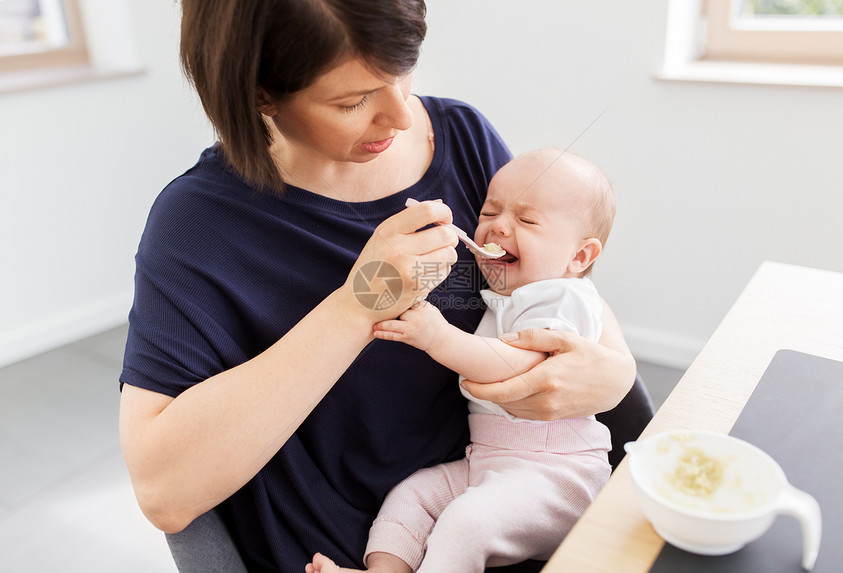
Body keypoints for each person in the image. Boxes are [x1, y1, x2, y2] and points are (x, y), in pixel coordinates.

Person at [118, 1, 636, 571]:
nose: (402, 116)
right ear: (261, 94)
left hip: (512, 516)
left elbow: (565, 290)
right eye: (354, 100)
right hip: (339, 550)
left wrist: (617, 374)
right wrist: (357, 306)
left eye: (402, 72)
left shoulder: (462, 137)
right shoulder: (197, 224)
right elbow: (164, 494)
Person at [307, 150, 616, 573]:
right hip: (488, 461)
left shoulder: (563, 298)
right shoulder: (505, 295)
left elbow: (520, 369)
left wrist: (439, 337)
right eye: (489, 212)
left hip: (559, 477)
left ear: (579, 257)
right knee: (410, 496)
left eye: (526, 221)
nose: (497, 226)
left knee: (465, 523)